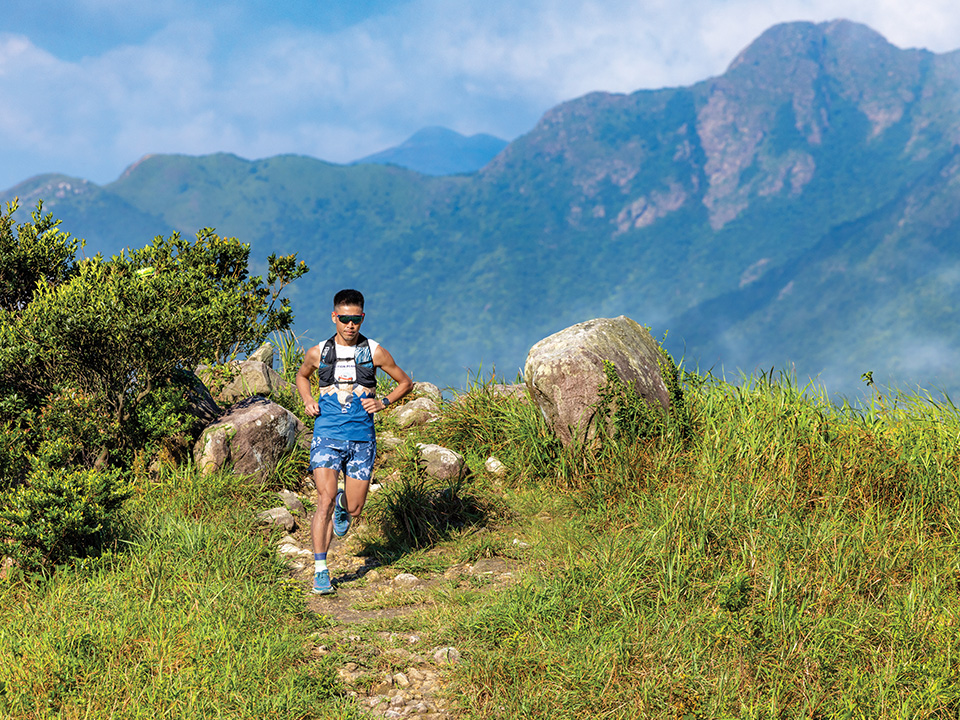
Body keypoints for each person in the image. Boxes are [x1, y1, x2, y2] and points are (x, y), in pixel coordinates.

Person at [296, 288, 412, 595]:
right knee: (324, 499)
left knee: (355, 508)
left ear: (363, 318)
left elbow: (405, 382)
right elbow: (302, 376)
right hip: (327, 435)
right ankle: (321, 571)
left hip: (361, 438)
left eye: (356, 319)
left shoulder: (375, 352)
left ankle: (343, 506)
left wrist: (384, 402)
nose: (350, 325)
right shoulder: (319, 352)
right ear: (334, 317)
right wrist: (307, 400)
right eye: (345, 319)